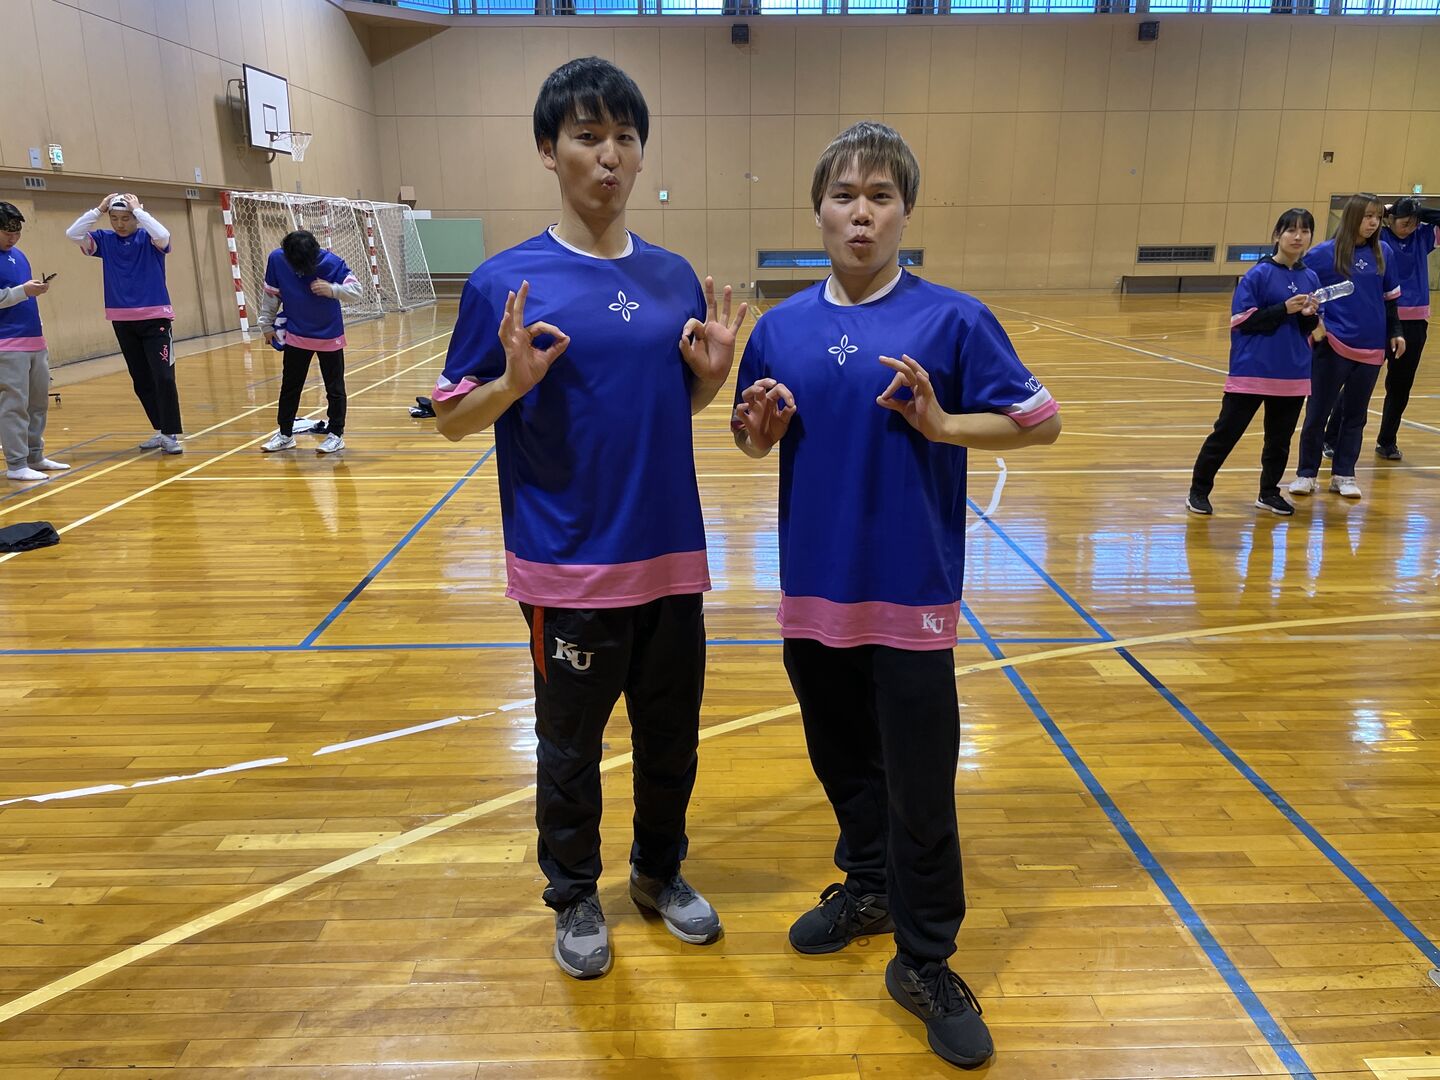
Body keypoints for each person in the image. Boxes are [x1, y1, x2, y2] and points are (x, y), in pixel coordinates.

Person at [731, 121, 1059, 1070]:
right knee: (843, 763)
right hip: (814, 594)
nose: (861, 213)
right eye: (844, 195)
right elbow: (751, 440)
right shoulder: (780, 328)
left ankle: (924, 959)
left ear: (906, 211)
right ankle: (868, 886)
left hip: (911, 597)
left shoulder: (952, 319)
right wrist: (757, 432)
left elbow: (1040, 422)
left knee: (922, 788)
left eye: (880, 195)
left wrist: (943, 423)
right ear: (818, 211)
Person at [431, 57, 746, 980]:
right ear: (548, 149)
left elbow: (671, 403)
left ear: (641, 153)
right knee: (570, 748)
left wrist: (710, 380)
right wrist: (509, 384)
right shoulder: (506, 281)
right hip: (566, 564)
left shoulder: (673, 277)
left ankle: (659, 872)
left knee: (671, 738)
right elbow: (453, 420)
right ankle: (573, 892)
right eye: (587, 136)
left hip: (670, 556)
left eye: (624, 138)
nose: (609, 156)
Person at [1186, 209, 1321, 517]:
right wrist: (1283, 309)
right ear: (1277, 235)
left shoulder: (1311, 277)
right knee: (1226, 433)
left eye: (1305, 231)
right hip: (1252, 370)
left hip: (1292, 373)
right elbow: (1243, 321)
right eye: (1291, 230)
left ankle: (1269, 492)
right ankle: (1198, 491)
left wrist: (1308, 315)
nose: (1298, 237)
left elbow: (1309, 328)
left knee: (1279, 441)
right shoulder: (1258, 275)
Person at [1288, 193, 1402, 501]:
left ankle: (1344, 474)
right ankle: (1306, 473)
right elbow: (1299, 287)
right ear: (1352, 217)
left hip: (1372, 348)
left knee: (1355, 415)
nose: (1373, 222)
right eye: (1367, 216)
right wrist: (1316, 325)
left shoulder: (1384, 252)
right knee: (1318, 413)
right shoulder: (1323, 254)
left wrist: (1396, 332)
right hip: (1333, 345)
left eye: (1377, 217)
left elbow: (1390, 300)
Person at [1323, 197, 1440, 462]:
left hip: (1415, 322)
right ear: (1390, 220)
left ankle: (1387, 441)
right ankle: (1331, 437)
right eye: (1404, 222)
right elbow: (1343, 236)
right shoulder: (1379, 239)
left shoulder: (1422, 237)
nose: (1409, 228)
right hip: (1381, 318)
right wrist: (1387, 211)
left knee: (1400, 386)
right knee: (1356, 382)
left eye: (1414, 223)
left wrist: (1417, 211)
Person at [65, 193, 183, 454]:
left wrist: (139, 211)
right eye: (115, 218)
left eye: (126, 218)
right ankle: (161, 429)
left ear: (136, 218)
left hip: (155, 319)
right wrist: (98, 210)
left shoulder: (149, 238)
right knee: (141, 379)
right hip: (122, 320)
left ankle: (171, 433)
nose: (120, 224)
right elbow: (73, 234)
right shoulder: (104, 240)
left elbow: (163, 235)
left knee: (163, 376)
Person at [257, 230, 363, 455]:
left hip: (330, 335)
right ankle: (285, 434)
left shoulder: (332, 262)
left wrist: (332, 289)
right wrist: (266, 325)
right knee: (290, 386)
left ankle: (336, 435)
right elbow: (271, 295)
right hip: (296, 334)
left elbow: (357, 291)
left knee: (334, 388)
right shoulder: (277, 259)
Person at [0, 202, 68, 482]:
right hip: (6, 343)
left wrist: (33, 292)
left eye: (17, 233)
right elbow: (14, 294)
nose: (13, 238)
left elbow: (24, 294)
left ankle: (34, 456)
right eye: (7, 233)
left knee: (38, 403)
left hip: (34, 340)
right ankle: (16, 463)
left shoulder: (20, 256)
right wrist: (22, 291)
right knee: (13, 404)